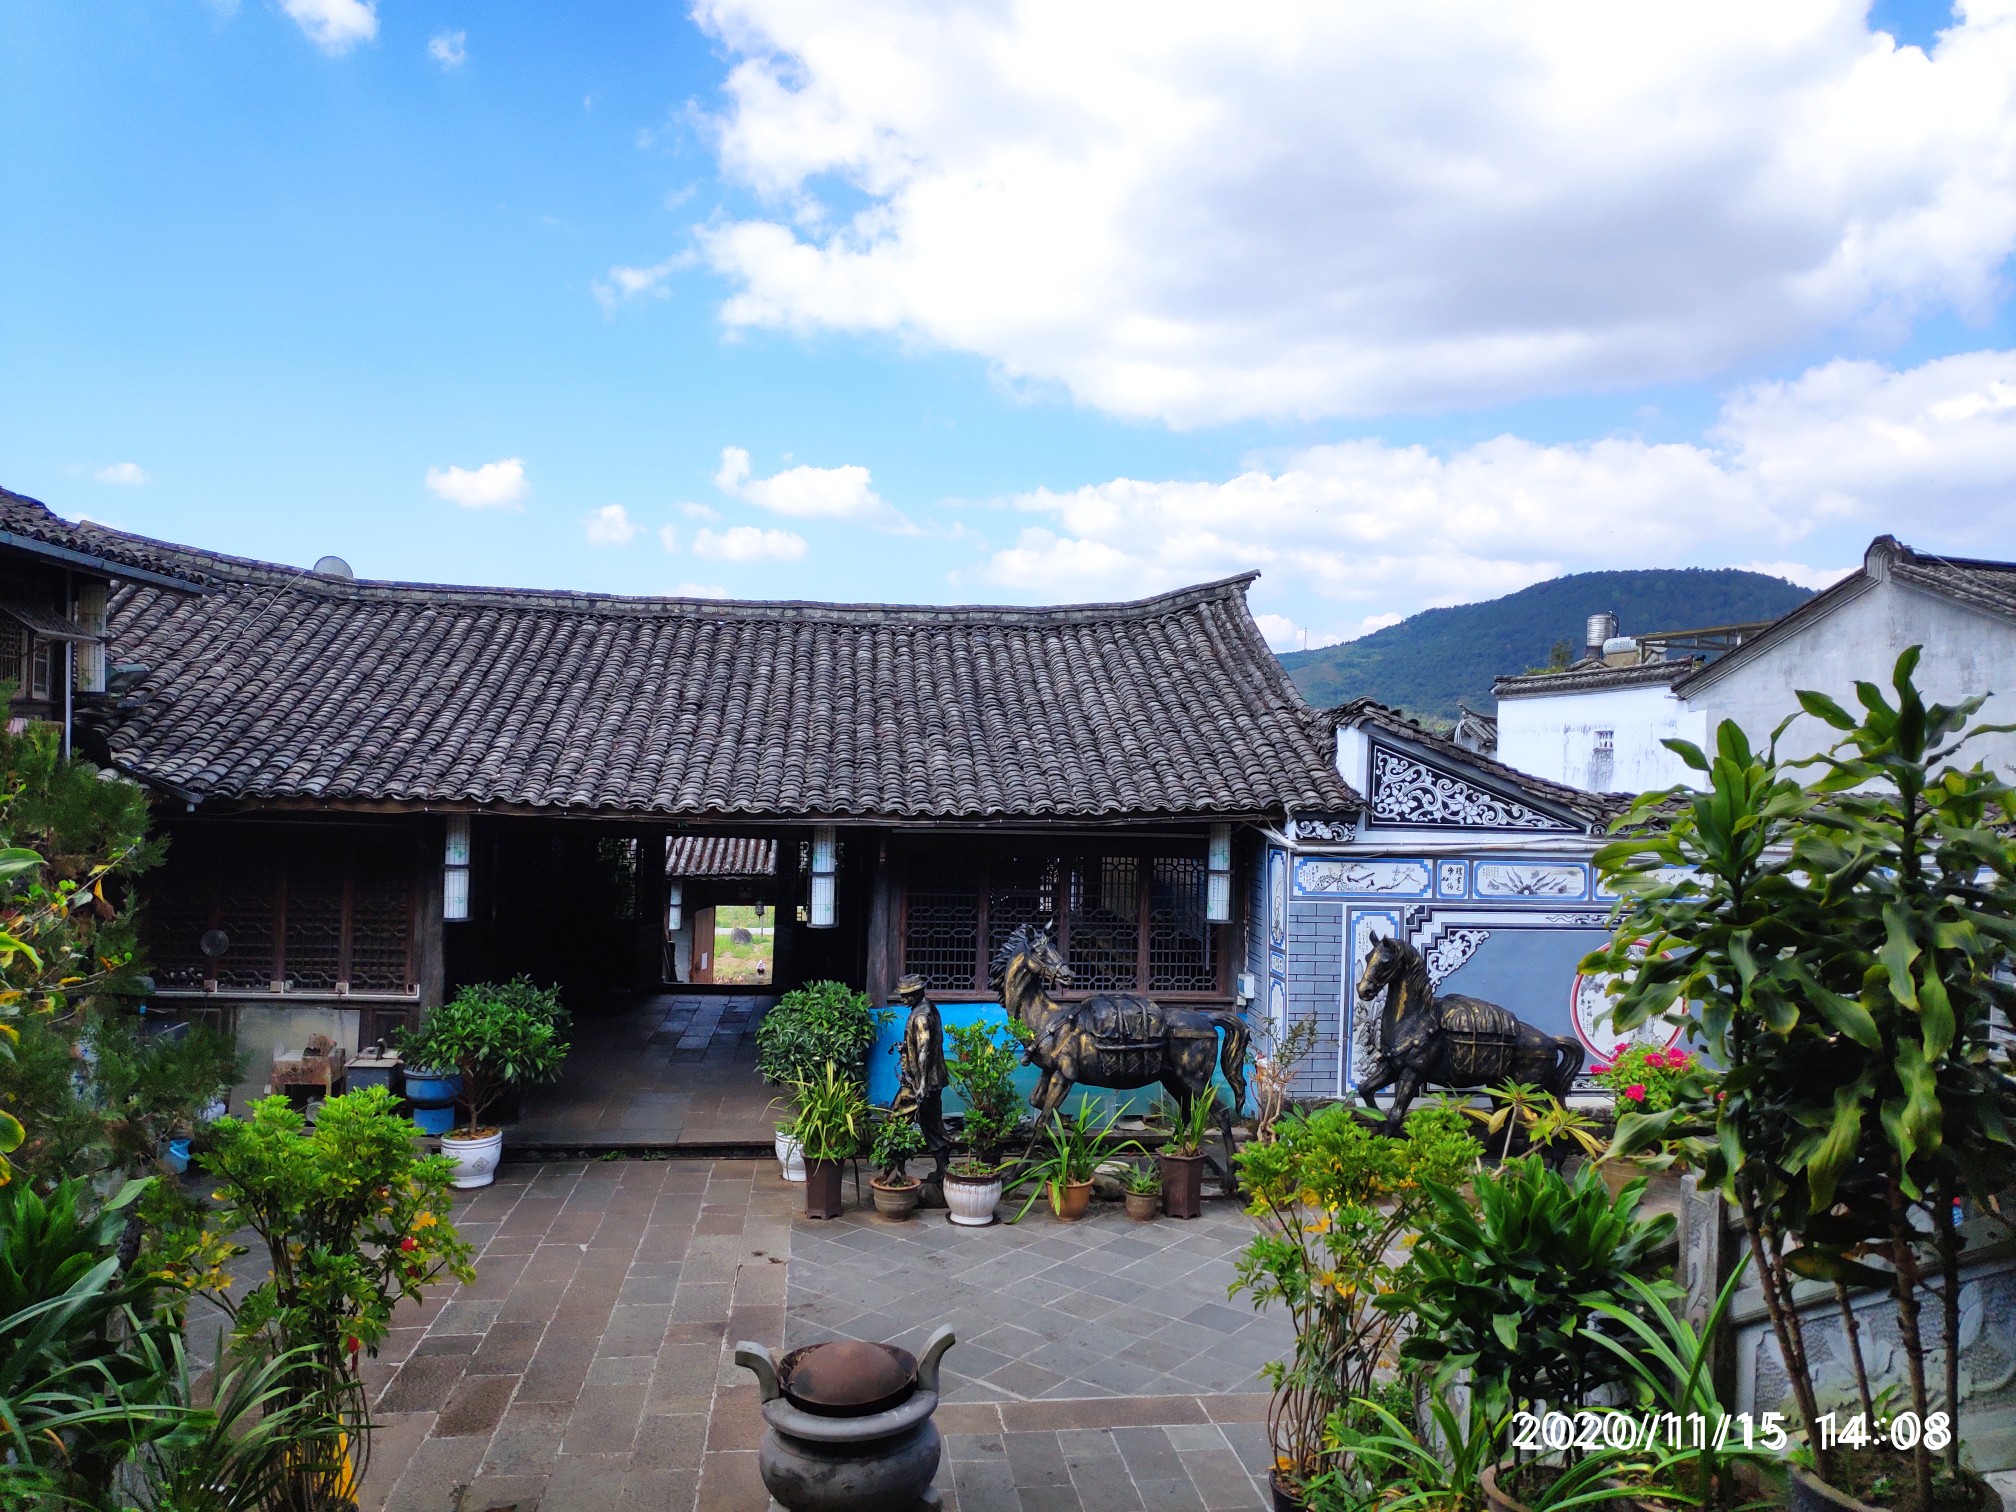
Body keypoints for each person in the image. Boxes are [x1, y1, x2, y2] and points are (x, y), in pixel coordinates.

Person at [890, 973, 951, 1185]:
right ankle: (944, 1171)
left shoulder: (921, 1017)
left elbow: (924, 1049)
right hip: (933, 1080)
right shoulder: (930, 1008)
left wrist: (922, 1083)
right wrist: (906, 1048)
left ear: (917, 993)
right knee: (932, 1126)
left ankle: (895, 1170)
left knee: (895, 1122)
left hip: (919, 1083)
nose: (902, 1000)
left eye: (906, 995)